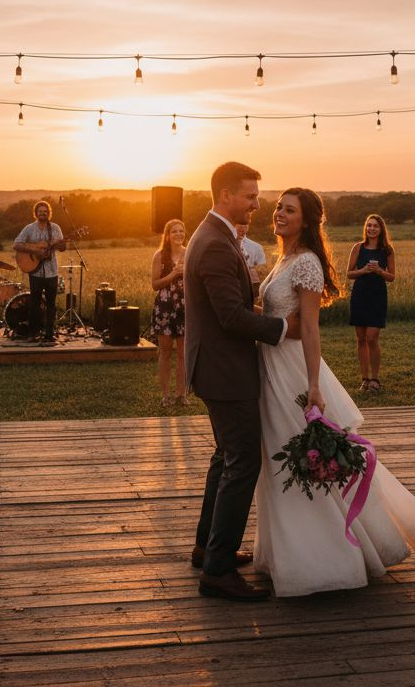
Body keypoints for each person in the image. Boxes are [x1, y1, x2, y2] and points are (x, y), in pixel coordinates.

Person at [253, 187, 415, 597]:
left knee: (297, 463)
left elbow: (310, 327)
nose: (279, 214)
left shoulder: (305, 264)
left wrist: (314, 385)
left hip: (291, 373)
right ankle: (285, 553)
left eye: (289, 210)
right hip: (270, 368)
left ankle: (324, 558)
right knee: (277, 461)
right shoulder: (283, 258)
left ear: (307, 219)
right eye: (278, 207)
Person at [185, 162, 296, 602]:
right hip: (224, 370)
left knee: (224, 457)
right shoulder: (214, 244)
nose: (257, 203)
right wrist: (284, 329)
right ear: (226, 194)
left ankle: (206, 547)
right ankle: (217, 569)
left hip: (215, 367)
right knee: (243, 462)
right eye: (250, 196)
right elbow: (230, 317)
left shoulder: (213, 234)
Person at [346, 214, 395, 392]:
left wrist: (380, 271)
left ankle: (375, 379)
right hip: (360, 295)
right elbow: (349, 274)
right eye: (369, 225)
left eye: (375, 226)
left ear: (381, 229)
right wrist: (364, 270)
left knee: (371, 338)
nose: (371, 229)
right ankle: (364, 378)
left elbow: (392, 277)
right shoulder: (358, 247)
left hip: (377, 296)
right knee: (360, 339)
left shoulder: (387, 250)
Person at [14, 201, 67, 343]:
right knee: (35, 304)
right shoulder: (29, 229)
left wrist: (62, 244)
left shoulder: (55, 228)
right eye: (40, 211)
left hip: (52, 272)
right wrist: (34, 250)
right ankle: (33, 332)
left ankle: (49, 334)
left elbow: (62, 248)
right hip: (35, 273)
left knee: (51, 304)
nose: (43, 213)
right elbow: (16, 244)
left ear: (49, 213)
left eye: (45, 211)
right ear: (36, 213)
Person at [151, 218, 188, 406]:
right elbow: (154, 285)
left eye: (181, 231)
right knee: (165, 352)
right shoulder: (160, 255)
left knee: (182, 353)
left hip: (184, 307)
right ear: (167, 235)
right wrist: (173, 274)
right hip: (164, 307)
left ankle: (182, 395)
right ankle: (166, 395)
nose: (179, 234)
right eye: (174, 231)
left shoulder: (188, 254)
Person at [235, 223, 266, 288]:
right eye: (240, 224)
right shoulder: (224, 244)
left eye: (245, 225)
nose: (242, 227)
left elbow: (262, 272)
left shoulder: (257, 247)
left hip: (252, 285)